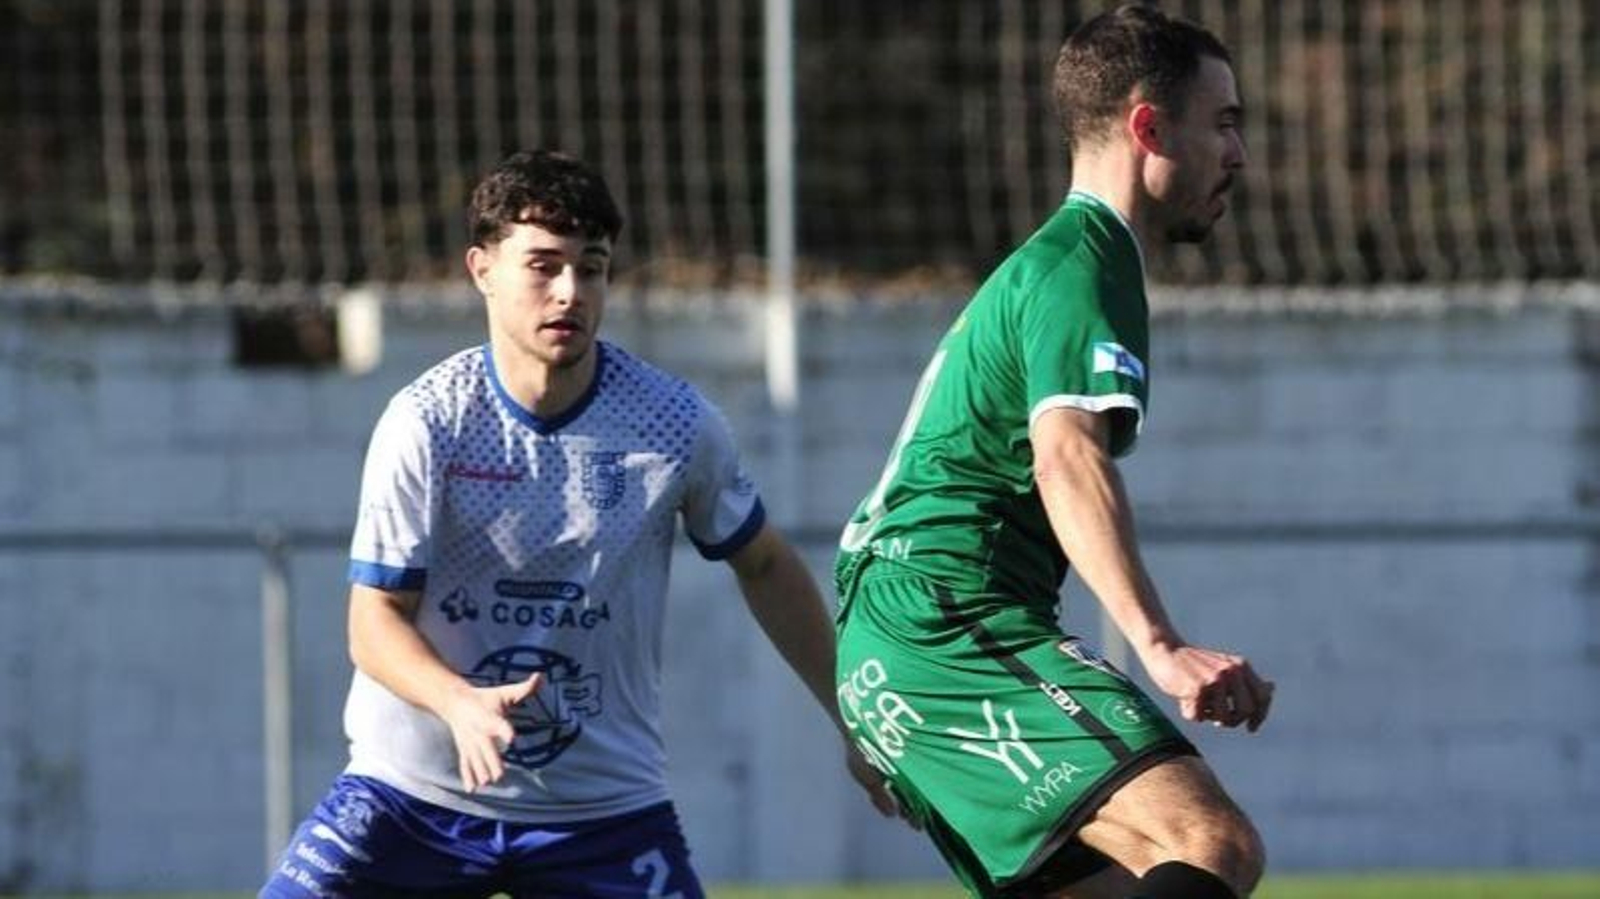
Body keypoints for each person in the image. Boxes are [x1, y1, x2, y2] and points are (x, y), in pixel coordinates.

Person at [262, 149, 891, 898]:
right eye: (543, 265)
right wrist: (459, 702)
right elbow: (373, 624)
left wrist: (851, 718)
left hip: (600, 812)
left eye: (590, 268)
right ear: (481, 269)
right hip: (412, 795)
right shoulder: (428, 421)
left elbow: (764, 563)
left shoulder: (674, 423)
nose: (569, 291)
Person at [833, 6, 1272, 899]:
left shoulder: (1057, 261)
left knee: (1122, 881)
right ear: (1149, 125)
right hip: (948, 617)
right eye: (1223, 123)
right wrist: (1159, 644)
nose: (1239, 154)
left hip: (897, 637)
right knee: (1208, 838)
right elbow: (1066, 455)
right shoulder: (1085, 263)